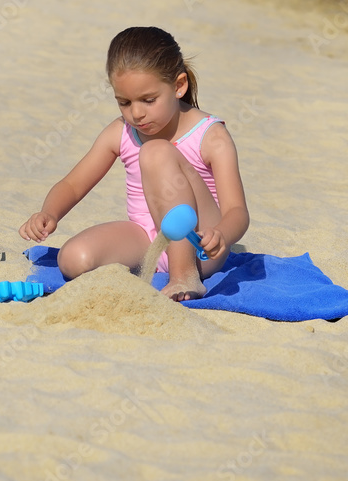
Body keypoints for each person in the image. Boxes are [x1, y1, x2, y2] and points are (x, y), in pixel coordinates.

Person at [19, 26, 249, 300]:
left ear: (179, 86)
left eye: (148, 100)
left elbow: (237, 211)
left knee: (155, 152)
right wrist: (49, 213)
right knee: (73, 259)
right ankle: (165, 268)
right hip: (146, 239)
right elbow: (73, 183)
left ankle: (183, 275)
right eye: (124, 102)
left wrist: (221, 235)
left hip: (198, 246)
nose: (136, 113)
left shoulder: (210, 136)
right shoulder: (120, 132)